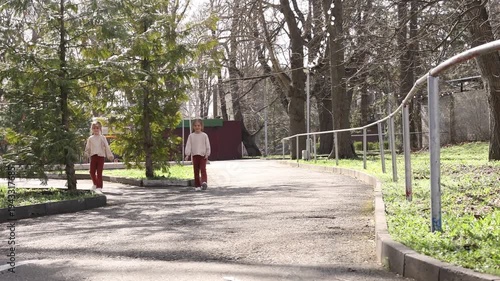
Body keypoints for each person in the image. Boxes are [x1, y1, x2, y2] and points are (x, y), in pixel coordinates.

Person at [84, 121, 114, 194]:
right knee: (91, 172)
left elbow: (107, 146)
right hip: (93, 156)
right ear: (92, 129)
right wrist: (86, 154)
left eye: (97, 128)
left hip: (101, 157)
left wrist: (109, 155)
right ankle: (95, 184)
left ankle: (99, 187)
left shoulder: (102, 138)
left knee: (99, 172)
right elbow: (87, 148)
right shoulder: (90, 138)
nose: (96, 130)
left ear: (100, 129)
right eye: (94, 128)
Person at [185, 119, 211, 191]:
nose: (197, 127)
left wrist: (207, 154)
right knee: (196, 171)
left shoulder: (204, 135)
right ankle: (197, 186)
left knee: (203, 169)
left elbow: (207, 145)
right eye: (195, 126)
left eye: (198, 125)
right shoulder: (191, 136)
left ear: (201, 126)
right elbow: (188, 145)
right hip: (195, 156)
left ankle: (204, 182)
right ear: (193, 127)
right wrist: (187, 154)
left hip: (203, 156)